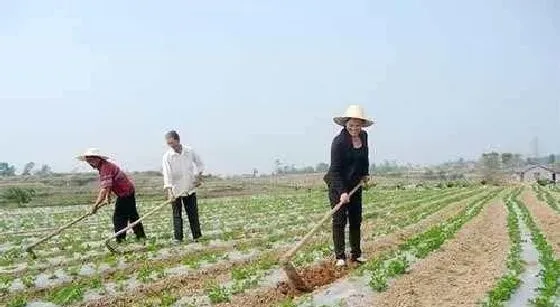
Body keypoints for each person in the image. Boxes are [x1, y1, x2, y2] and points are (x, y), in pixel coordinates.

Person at [323, 105, 373, 267]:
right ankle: (339, 257)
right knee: (339, 221)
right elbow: (335, 170)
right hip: (338, 185)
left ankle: (356, 254)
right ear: (346, 124)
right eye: (351, 125)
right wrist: (342, 192)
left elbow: (365, 157)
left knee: (356, 219)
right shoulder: (338, 142)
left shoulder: (364, 137)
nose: (354, 128)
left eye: (357, 125)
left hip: (355, 184)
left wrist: (365, 174)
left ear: (361, 125)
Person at [76, 148, 146, 243]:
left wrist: (95, 205)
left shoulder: (105, 168)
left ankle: (121, 240)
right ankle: (141, 236)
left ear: (98, 159)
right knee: (132, 215)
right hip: (127, 191)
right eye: (88, 161)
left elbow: (104, 189)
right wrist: (107, 197)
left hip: (125, 193)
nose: (89, 163)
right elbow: (109, 185)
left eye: (91, 160)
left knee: (119, 217)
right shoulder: (104, 166)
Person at [162, 130, 205, 244]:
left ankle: (197, 236)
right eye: (168, 144)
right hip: (176, 191)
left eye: (172, 143)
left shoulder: (189, 151)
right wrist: (169, 192)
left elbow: (200, 164)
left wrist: (199, 178)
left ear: (178, 140)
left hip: (189, 188)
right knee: (177, 215)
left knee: (192, 213)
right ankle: (178, 238)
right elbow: (167, 175)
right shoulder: (167, 157)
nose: (171, 146)